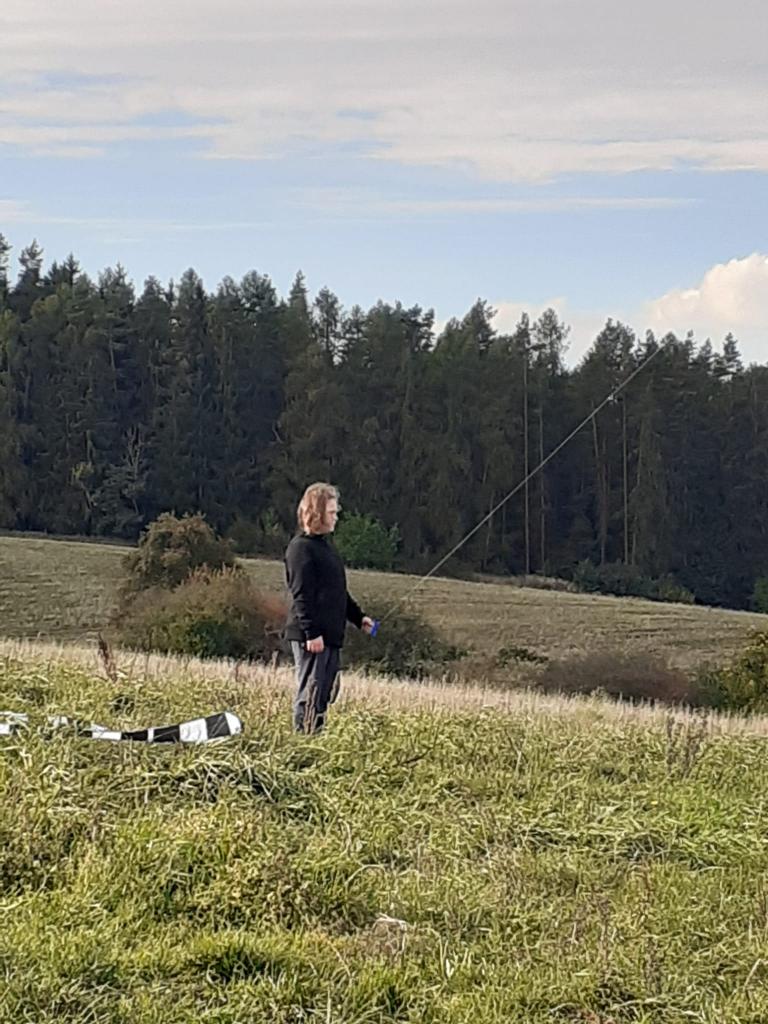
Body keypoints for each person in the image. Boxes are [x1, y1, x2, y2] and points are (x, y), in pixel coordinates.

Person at [284, 483, 374, 734]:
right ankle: (304, 742)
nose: (336, 517)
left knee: (326, 692)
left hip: (331, 636)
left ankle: (316, 736)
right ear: (317, 513)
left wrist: (359, 618)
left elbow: (337, 592)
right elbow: (301, 594)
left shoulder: (326, 548)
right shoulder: (300, 548)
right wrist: (311, 633)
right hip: (313, 637)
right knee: (311, 693)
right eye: (332, 512)